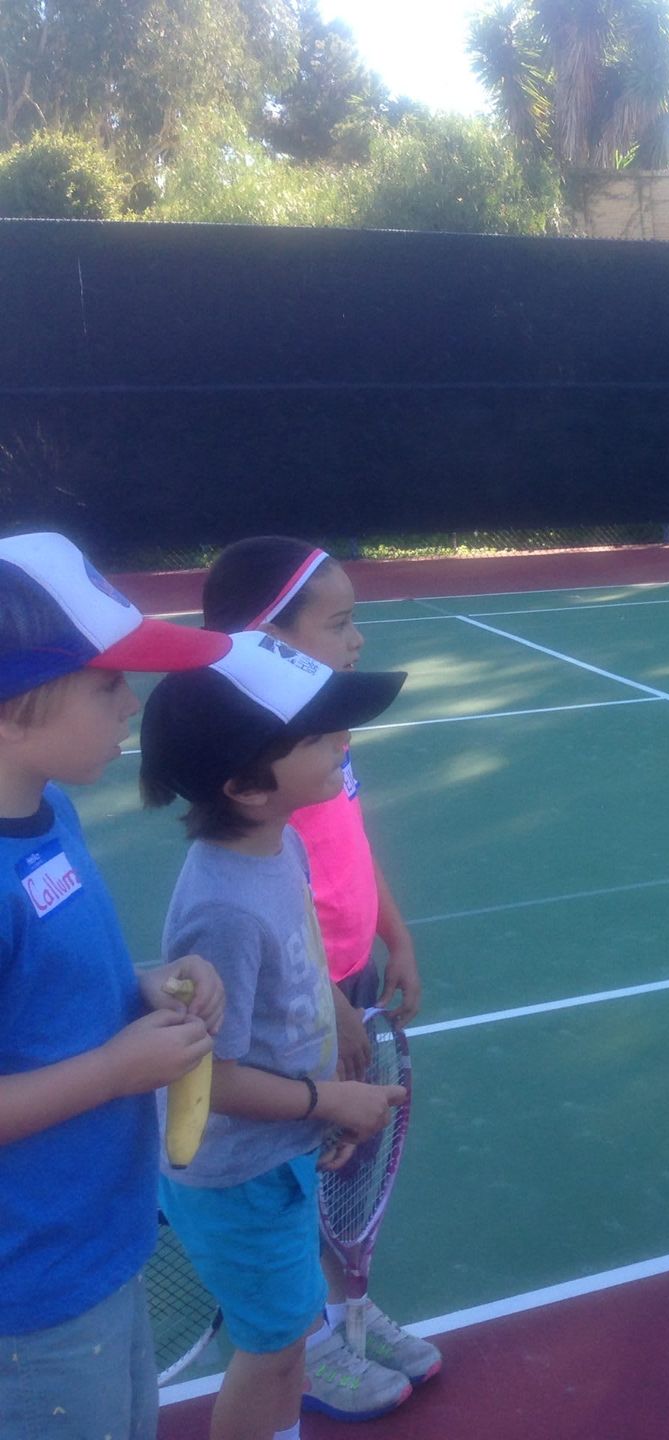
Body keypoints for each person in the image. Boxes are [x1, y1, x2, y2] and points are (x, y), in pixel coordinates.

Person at [140, 634, 413, 1439]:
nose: (345, 745)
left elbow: (296, 951)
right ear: (247, 787)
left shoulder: (279, 841)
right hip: (235, 1178)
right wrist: (329, 1098)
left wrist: (329, 1031)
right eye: (320, 737)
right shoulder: (220, 910)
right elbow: (206, 1077)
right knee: (273, 1350)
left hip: (277, 1150)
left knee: (288, 1341)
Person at [0, 531, 230, 1440]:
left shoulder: (47, 811)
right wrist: (113, 1072)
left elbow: (43, 995)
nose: (130, 706)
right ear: (14, 707)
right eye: (106, 685)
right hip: (33, 1296)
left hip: (100, 1247)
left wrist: (147, 985)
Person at [200, 538, 441, 1403]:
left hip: (349, 982)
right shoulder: (257, 749)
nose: (357, 638)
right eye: (338, 623)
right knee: (289, 1166)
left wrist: (395, 936)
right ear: (269, 634)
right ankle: (298, 1340)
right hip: (301, 1000)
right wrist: (334, 1004)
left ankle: (347, 1309)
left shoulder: (325, 731)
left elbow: (351, 842)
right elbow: (281, 887)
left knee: (346, 1159)